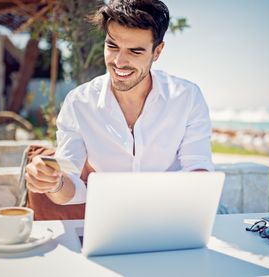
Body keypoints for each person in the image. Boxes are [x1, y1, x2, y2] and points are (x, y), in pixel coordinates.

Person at [25, 0, 214, 206]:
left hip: (173, 213)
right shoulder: (79, 103)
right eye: (112, 46)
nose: (119, 62)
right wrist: (52, 183)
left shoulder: (187, 97)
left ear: (157, 52)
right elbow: (69, 184)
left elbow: (198, 167)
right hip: (108, 219)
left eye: (135, 51)